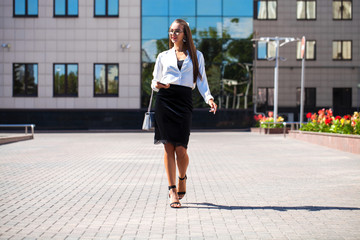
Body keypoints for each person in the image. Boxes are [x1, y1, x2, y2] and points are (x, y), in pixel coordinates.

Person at [151, 19, 217, 208]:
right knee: (168, 147)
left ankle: (182, 177)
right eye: (171, 31)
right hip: (165, 100)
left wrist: (209, 98)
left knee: (182, 149)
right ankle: (172, 190)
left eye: (177, 31)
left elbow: (202, 81)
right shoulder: (163, 56)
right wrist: (158, 85)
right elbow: (154, 82)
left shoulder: (197, 55)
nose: (173, 34)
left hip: (183, 101)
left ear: (185, 34)